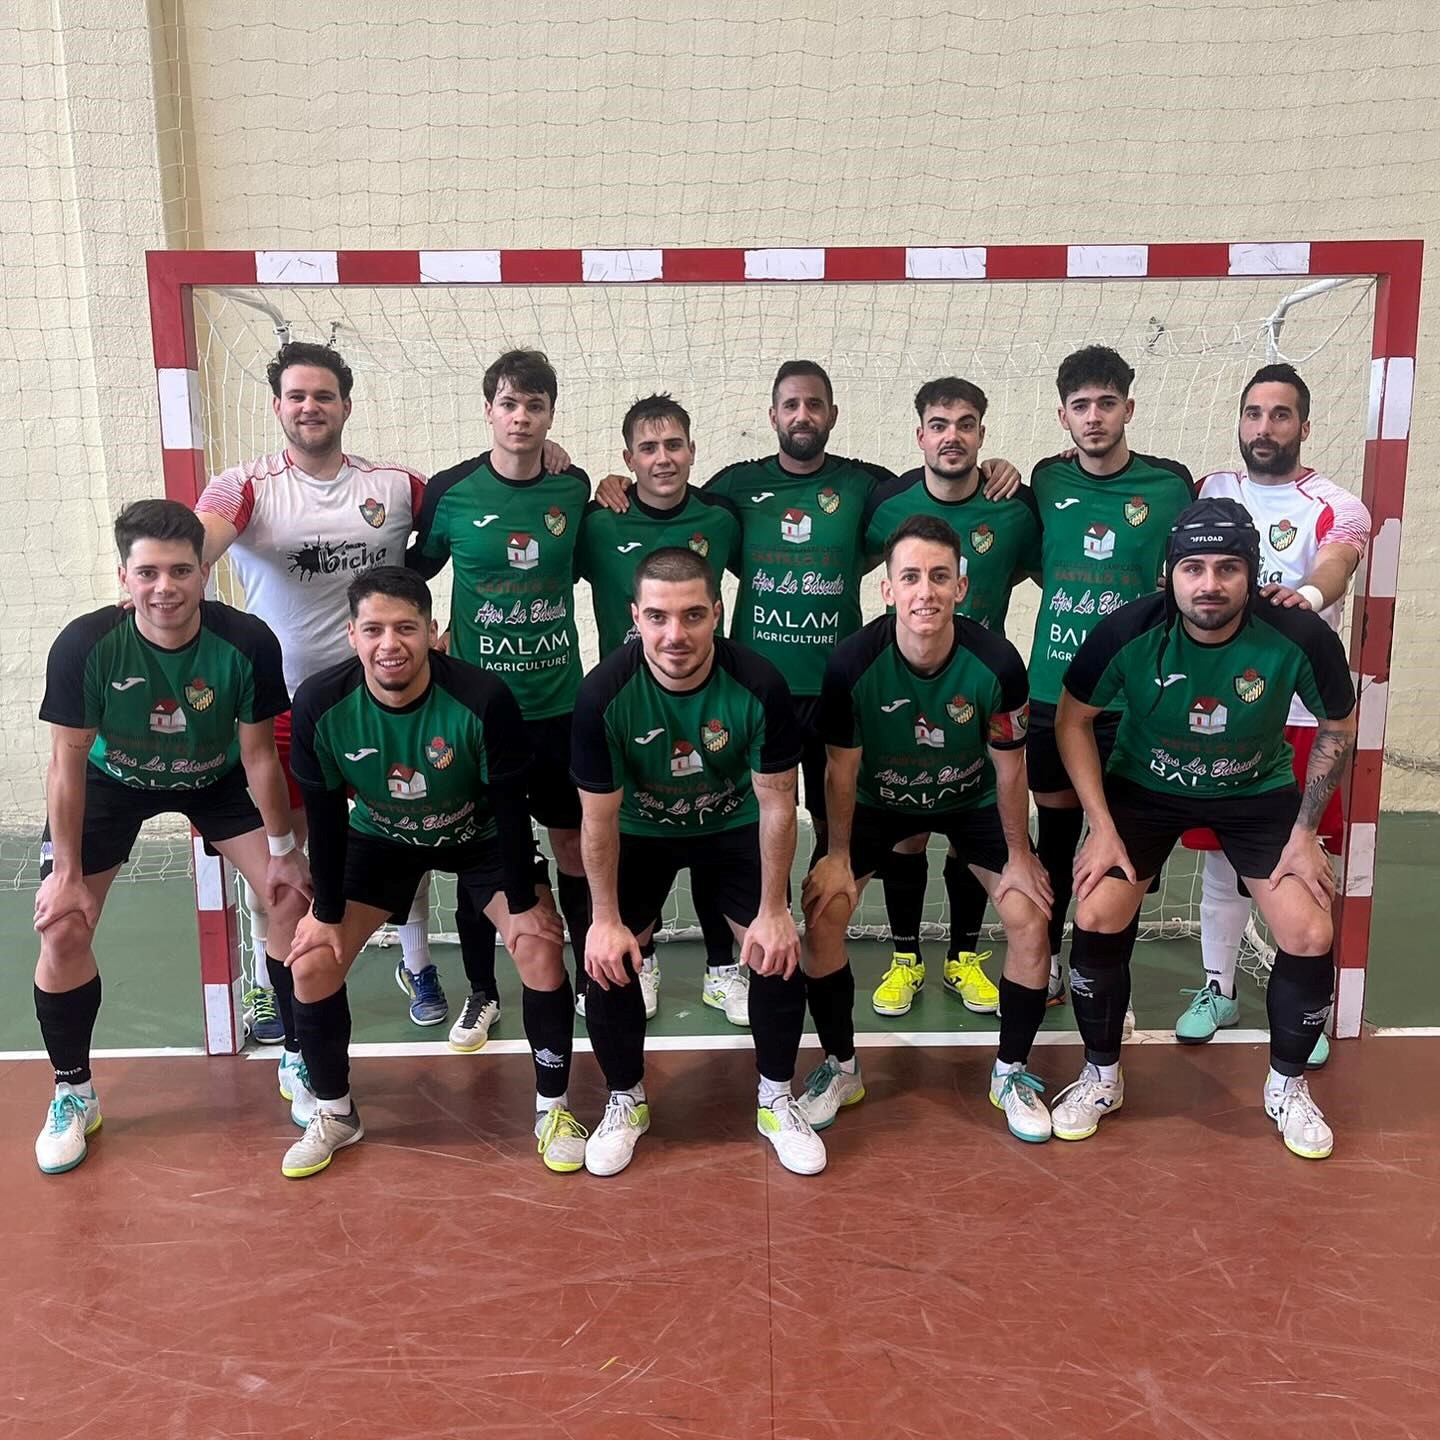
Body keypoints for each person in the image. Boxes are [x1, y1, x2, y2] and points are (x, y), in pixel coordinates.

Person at [593, 361, 1018, 1062]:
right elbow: (671, 499)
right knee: (726, 812)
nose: (802, 415)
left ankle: (844, 942)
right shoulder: (732, 492)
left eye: (814, 404)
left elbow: (937, 485)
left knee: (848, 820)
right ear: (773, 415)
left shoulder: (867, 488)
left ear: (832, 414)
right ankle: (727, 962)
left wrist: (995, 469)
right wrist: (616, 483)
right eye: (790, 405)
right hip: (750, 691)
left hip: (836, 688)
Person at [197, 340, 561, 1054]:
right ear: (277, 406)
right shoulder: (244, 486)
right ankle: (274, 988)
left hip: (399, 700)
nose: (310, 407)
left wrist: (542, 454)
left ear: (345, 406)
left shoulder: (395, 486)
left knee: (408, 825)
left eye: (323, 395)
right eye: (297, 396)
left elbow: (478, 492)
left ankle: (417, 964)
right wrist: (165, 580)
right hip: (288, 709)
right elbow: (198, 541)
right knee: (284, 868)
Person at [1054, 499, 1356, 1159]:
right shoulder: (1127, 630)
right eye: (1193, 568)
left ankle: (1287, 1087)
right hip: (1144, 787)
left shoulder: (1299, 636)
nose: (1209, 583)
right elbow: (1072, 719)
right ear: (1170, 574)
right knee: (1098, 912)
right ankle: (1102, 1076)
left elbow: (1338, 724)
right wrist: (1100, 826)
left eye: (1227, 568)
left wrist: (1305, 830)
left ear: (1252, 573)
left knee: (1310, 930)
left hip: (1256, 790)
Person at [32, 500, 310, 1173]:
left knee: (289, 900)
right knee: (63, 927)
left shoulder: (246, 641)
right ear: (123, 577)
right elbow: (66, 763)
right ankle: (73, 1092)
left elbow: (259, 757)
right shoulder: (85, 645)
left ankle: (300, 1056)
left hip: (214, 777)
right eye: (148, 572)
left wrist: (282, 853)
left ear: (203, 572)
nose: (165, 587)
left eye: (181, 571)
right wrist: (65, 874)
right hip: (111, 782)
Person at [283, 567, 582, 1178]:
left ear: (433, 632)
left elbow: (510, 805)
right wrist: (326, 913)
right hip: (380, 839)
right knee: (311, 961)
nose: (389, 644)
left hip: (480, 836)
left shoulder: (483, 697)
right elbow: (325, 817)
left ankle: (553, 1110)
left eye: (406, 628)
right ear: (352, 635)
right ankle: (336, 1113)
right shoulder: (320, 702)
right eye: (373, 629)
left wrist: (523, 901)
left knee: (539, 950)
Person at [800, 515, 1056, 1141]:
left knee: (1030, 917)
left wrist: (1019, 853)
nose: (926, 592)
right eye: (910, 577)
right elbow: (840, 770)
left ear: (961, 587)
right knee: (824, 914)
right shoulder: (851, 664)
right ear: (886, 589)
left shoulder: (998, 663)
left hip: (970, 799)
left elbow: (1010, 767)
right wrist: (836, 853)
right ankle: (841, 1068)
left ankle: (1011, 1073)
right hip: (879, 802)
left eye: (940, 577)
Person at [571, 548, 821, 1176]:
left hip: (732, 826)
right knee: (608, 959)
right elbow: (597, 820)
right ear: (635, 617)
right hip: (640, 833)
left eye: (691, 615)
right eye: (657, 617)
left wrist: (774, 910)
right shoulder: (603, 693)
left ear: (717, 612)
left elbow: (778, 805)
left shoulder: (759, 683)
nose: (674, 635)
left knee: (776, 950)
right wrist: (604, 920)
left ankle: (776, 1099)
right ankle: (625, 1100)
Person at [1177, 364, 1370, 1064]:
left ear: (1304, 426)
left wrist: (1306, 601)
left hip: (1302, 714)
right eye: (1254, 413)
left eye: (1280, 414)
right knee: (1222, 859)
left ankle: (1305, 1007)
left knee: (1305, 860)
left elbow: (1337, 563)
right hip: (1223, 714)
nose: (1265, 427)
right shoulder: (1209, 489)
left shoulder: (1338, 503)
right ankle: (1218, 988)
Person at [408, 349, 594, 1014]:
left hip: (558, 706)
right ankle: (482, 991)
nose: (521, 417)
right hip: (478, 714)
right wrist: (419, 638)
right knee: (479, 851)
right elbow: (413, 573)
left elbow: (588, 558)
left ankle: (591, 970)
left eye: (534, 406)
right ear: (488, 410)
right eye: (509, 404)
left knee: (573, 844)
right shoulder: (451, 492)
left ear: (550, 415)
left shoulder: (573, 488)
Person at [860, 377, 1042, 1021]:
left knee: (972, 831)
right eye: (939, 424)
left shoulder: (1014, 506)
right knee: (906, 832)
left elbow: (1048, 570)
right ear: (920, 436)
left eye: (966, 424)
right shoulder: (887, 504)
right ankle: (905, 957)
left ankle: (965, 956)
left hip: (981, 698)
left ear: (982, 435)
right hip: (906, 692)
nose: (952, 436)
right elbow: (847, 562)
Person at [1025, 346, 1195, 1013]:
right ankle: (1047, 960)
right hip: (1054, 694)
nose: (1093, 417)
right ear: (1061, 416)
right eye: (1080, 406)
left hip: (1135, 701)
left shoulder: (1171, 486)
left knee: (1123, 846)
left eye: (1106, 403)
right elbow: (1040, 559)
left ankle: (1104, 972)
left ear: (1129, 408)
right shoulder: (1044, 480)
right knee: (1056, 838)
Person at [573, 393, 744, 1021]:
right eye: (648, 448)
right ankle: (637, 958)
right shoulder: (598, 523)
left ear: (693, 451)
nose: (663, 458)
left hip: (709, 704)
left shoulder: (722, 519)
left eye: (674, 445)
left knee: (714, 829)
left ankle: (723, 969)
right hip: (628, 711)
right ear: (628, 460)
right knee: (633, 835)